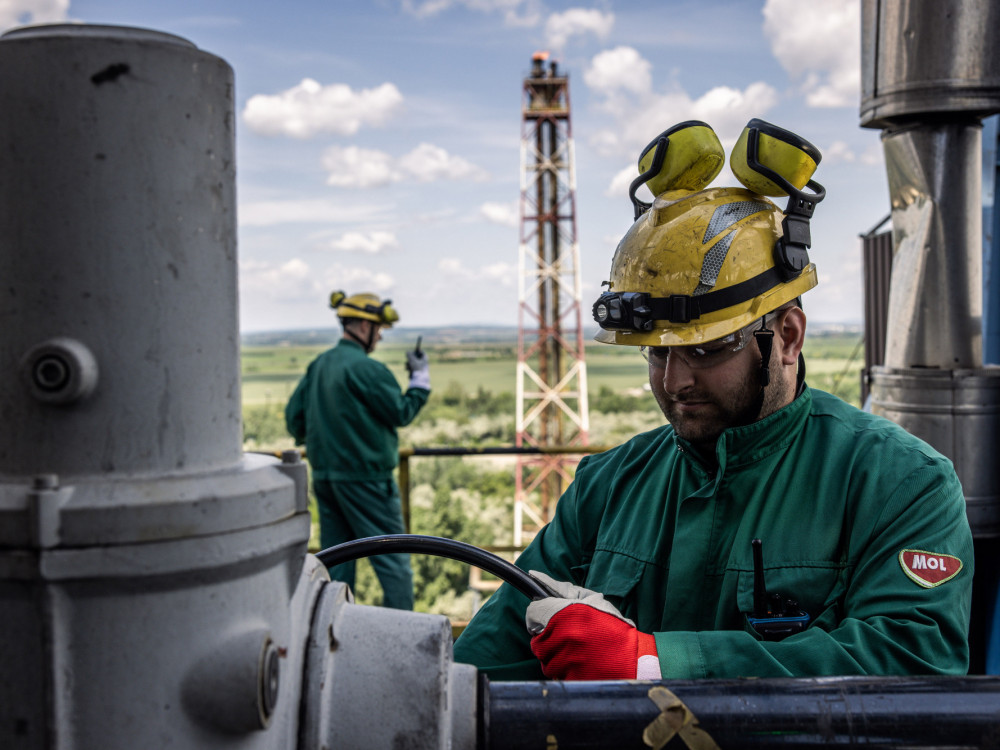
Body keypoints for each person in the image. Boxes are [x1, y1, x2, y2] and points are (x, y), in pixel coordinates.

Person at [453, 119, 974, 680]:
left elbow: (911, 662)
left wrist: (655, 663)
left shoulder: (899, 483)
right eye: (656, 352)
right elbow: (487, 660)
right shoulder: (607, 488)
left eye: (706, 349)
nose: (674, 380)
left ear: (788, 337)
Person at [285, 290, 431, 610]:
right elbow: (401, 412)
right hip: (368, 481)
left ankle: (333, 631)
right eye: (378, 329)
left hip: (326, 479)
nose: (379, 336)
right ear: (364, 326)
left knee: (337, 564)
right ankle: (401, 635)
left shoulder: (319, 365)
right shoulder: (367, 369)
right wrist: (420, 379)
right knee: (393, 563)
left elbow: (294, 419)